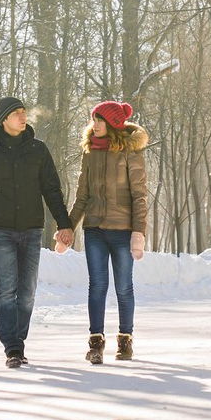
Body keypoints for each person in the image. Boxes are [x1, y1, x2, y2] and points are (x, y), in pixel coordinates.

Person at [0, 96, 73, 368]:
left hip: (32, 228)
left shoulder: (38, 150)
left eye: (25, 112)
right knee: (6, 289)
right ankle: (12, 347)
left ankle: (19, 341)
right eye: (17, 113)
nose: (23, 117)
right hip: (0, 229)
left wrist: (64, 223)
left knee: (27, 291)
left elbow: (52, 190)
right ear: (4, 120)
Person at [62, 100, 148, 364]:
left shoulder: (130, 154)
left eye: (100, 120)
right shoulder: (90, 154)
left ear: (112, 124)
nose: (94, 124)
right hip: (95, 230)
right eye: (93, 120)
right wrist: (67, 227)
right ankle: (96, 342)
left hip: (123, 231)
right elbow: (82, 196)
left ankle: (125, 340)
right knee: (97, 286)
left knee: (124, 288)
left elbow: (139, 197)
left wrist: (138, 232)